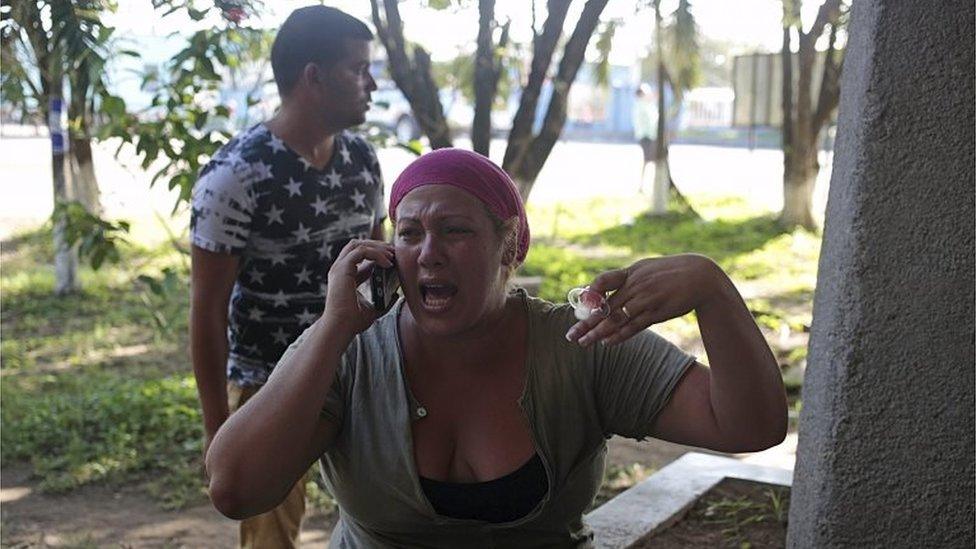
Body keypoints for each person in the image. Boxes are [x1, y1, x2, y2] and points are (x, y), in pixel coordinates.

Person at [205, 149, 788, 547]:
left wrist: (713, 291)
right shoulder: (350, 351)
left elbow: (748, 427)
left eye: (455, 230)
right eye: (409, 233)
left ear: (509, 246)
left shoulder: (580, 343)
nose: (429, 252)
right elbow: (235, 490)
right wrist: (331, 329)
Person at [188, 6, 383, 547]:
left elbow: (382, 267)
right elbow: (206, 311)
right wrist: (219, 430)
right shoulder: (236, 174)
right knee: (269, 531)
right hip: (271, 383)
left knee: (386, 513)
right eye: (358, 69)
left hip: (361, 370)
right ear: (313, 76)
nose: (371, 85)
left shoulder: (363, 161)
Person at [633, 83, 658, 193]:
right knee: (649, 161)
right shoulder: (642, 105)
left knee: (649, 161)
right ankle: (642, 186)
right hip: (647, 136)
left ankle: (645, 185)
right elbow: (649, 123)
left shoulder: (647, 105)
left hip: (648, 136)